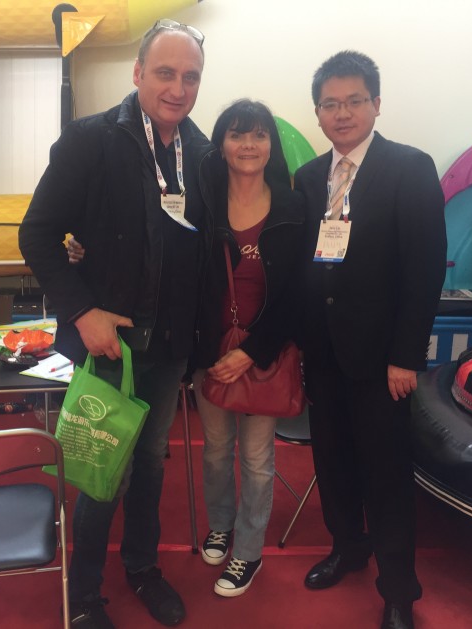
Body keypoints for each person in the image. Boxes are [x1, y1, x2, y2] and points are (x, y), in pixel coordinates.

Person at [18, 19, 212, 629]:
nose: (177, 89)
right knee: (104, 470)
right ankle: (83, 595)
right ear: (137, 72)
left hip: (168, 348)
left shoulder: (202, 152)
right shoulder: (89, 140)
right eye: (165, 73)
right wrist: (82, 311)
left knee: (151, 463)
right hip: (108, 345)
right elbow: (37, 235)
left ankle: (142, 567)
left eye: (190, 77)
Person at [294, 51, 446, 629]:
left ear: (376, 104)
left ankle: (399, 590)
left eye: (354, 101)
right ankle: (348, 548)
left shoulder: (410, 167)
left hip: (384, 362)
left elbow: (424, 270)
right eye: (330, 104)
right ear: (317, 112)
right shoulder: (309, 178)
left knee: (386, 476)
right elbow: (304, 266)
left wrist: (406, 356)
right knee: (332, 464)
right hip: (323, 356)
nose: (342, 113)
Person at [191, 99, 304, 597]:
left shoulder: (293, 209)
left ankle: (249, 550)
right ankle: (221, 524)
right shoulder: (203, 204)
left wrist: (252, 352)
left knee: (257, 460)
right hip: (210, 354)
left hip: (264, 355)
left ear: (271, 145)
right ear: (221, 145)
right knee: (216, 451)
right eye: (237, 134)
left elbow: (297, 294)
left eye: (259, 135)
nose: (248, 145)